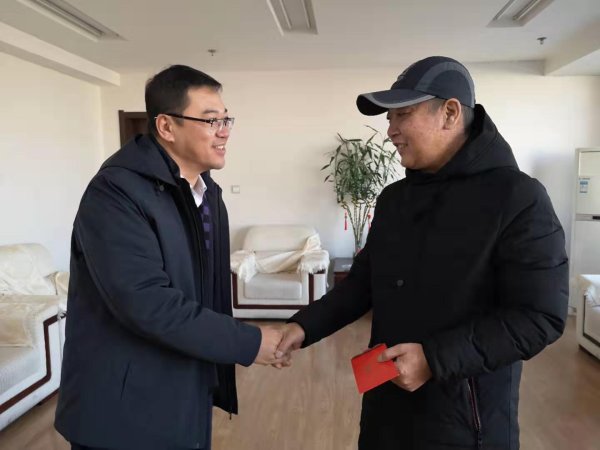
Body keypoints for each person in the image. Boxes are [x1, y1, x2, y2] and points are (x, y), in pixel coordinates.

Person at [276, 56, 569, 449]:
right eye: (389, 119)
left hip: (466, 422)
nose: (390, 131)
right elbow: (362, 284)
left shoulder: (518, 198)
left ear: (450, 113)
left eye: (403, 115)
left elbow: (539, 316)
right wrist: (302, 327)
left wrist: (434, 359)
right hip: (386, 409)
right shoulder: (394, 199)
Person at [55, 65, 284, 450]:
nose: (224, 131)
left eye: (226, 119)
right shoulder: (114, 194)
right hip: (122, 411)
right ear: (166, 127)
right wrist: (248, 342)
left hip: (184, 391)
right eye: (211, 120)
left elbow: (205, 295)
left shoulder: (207, 194)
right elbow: (147, 302)